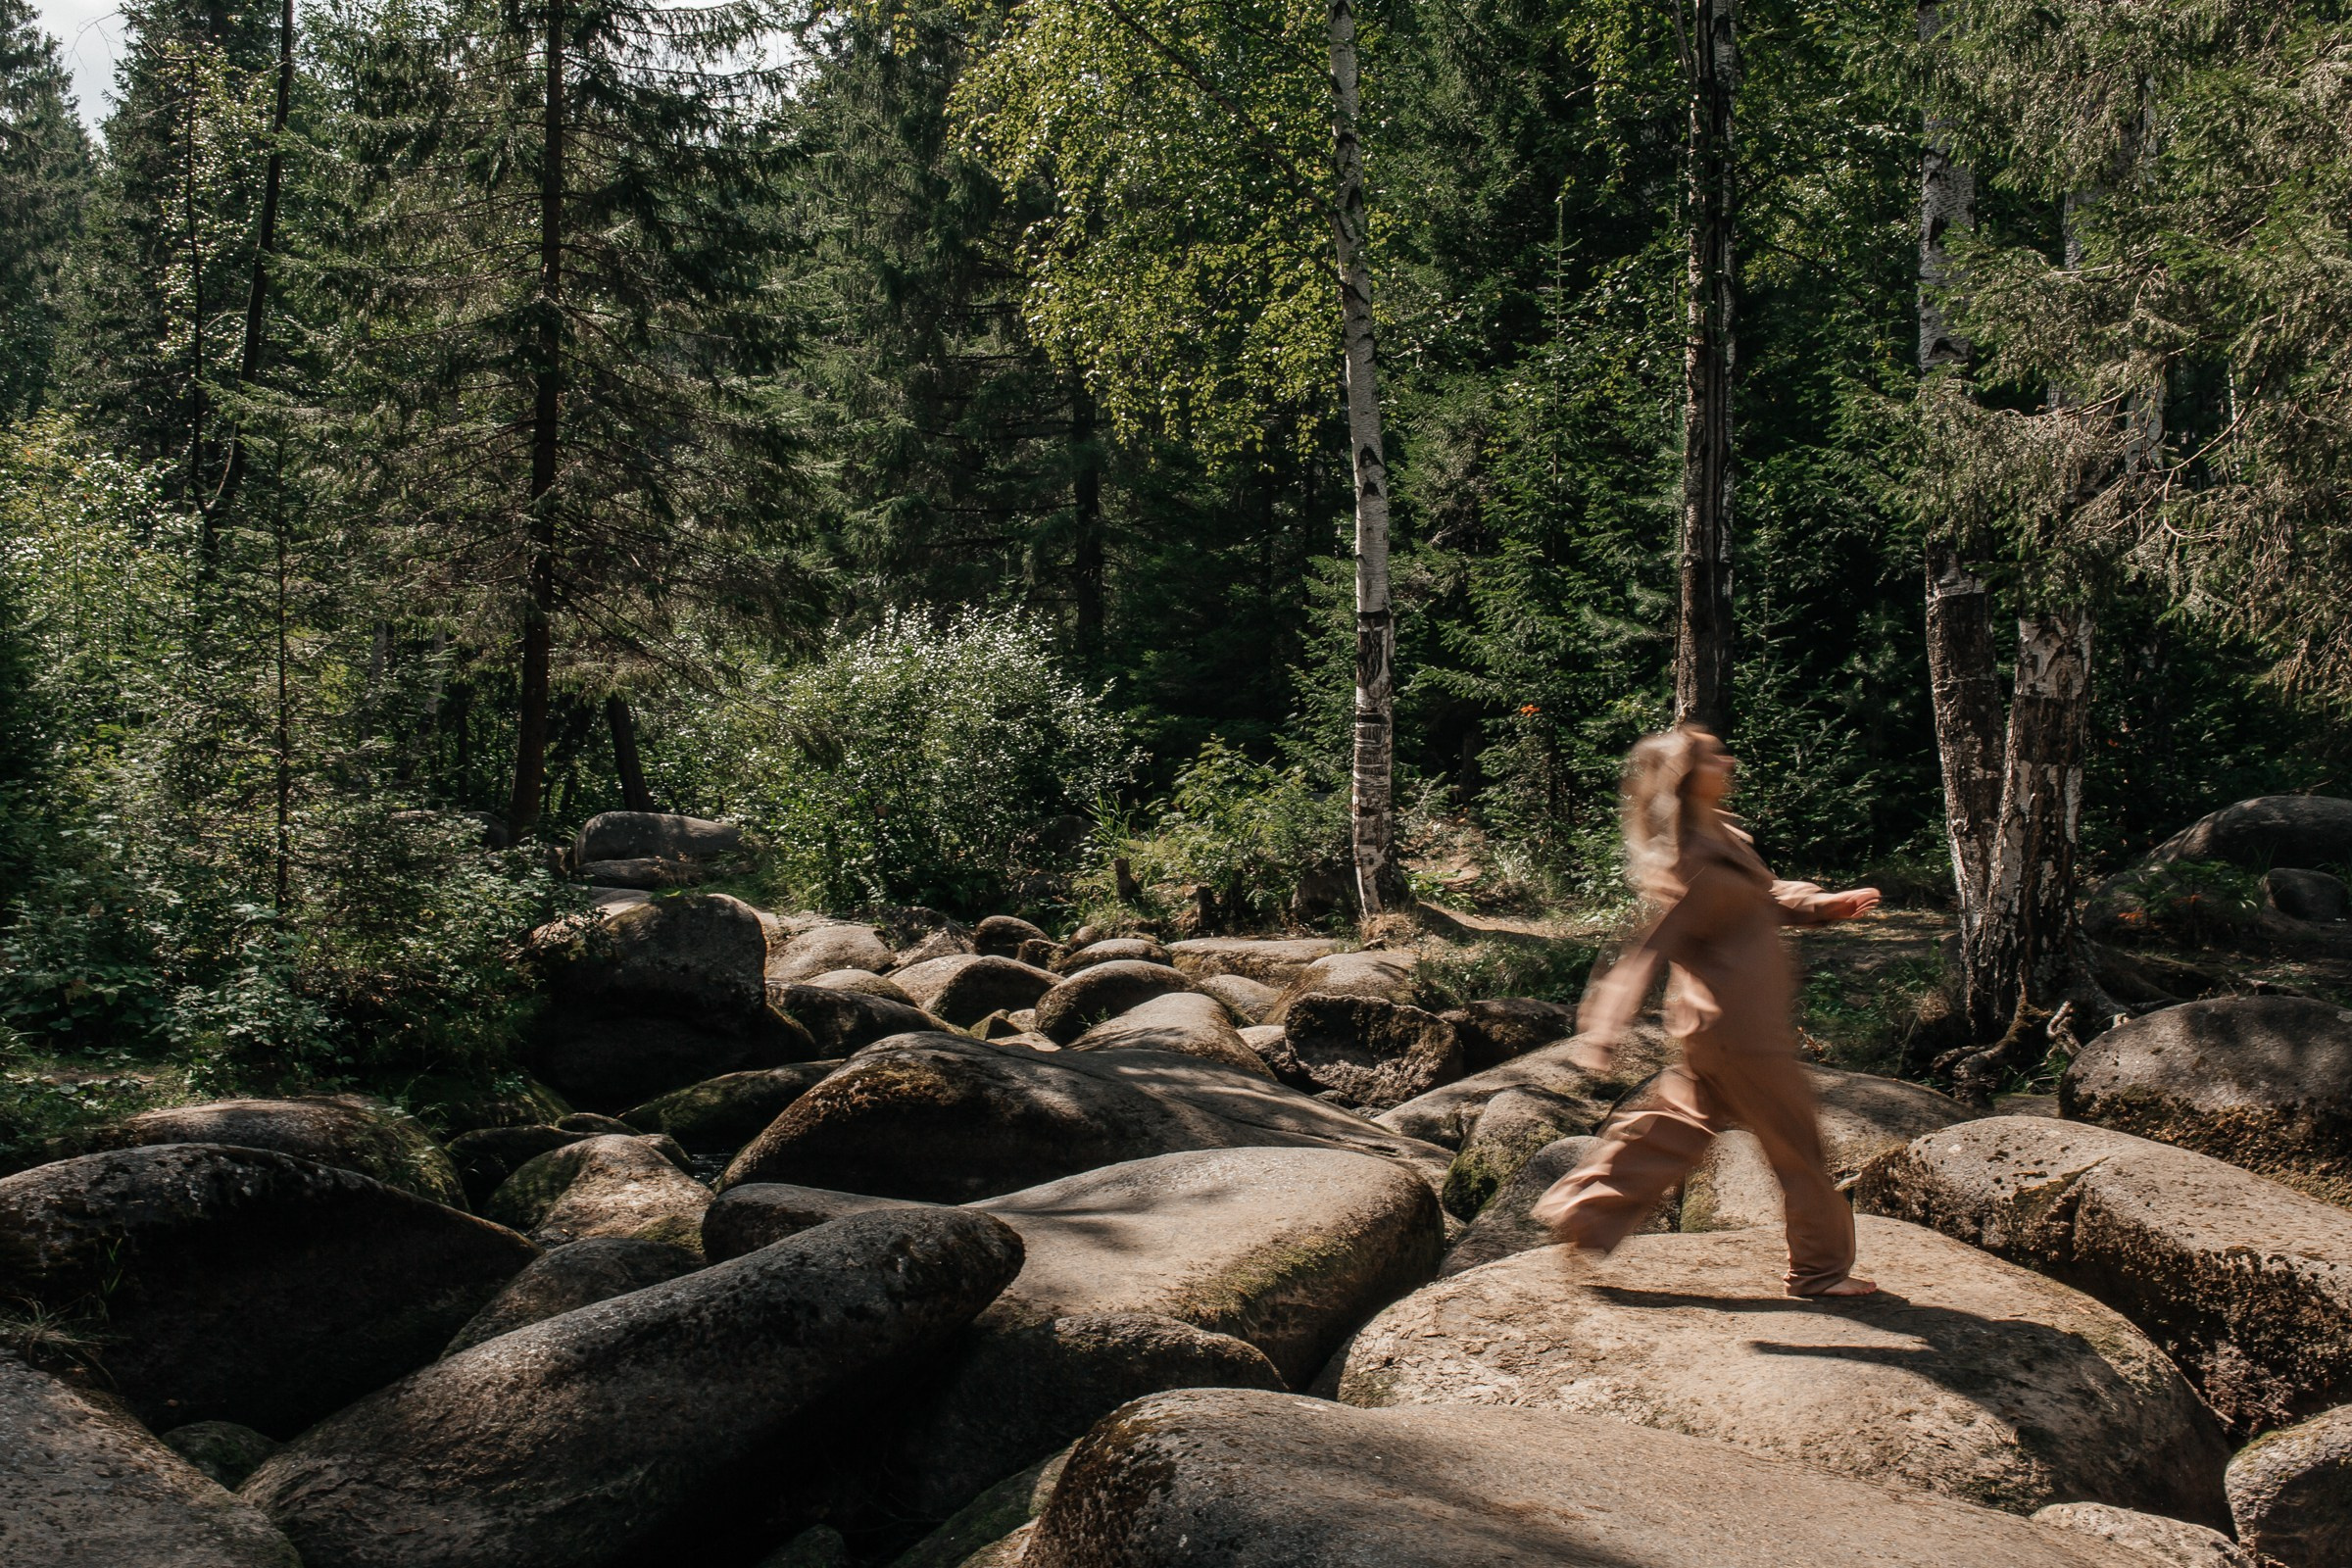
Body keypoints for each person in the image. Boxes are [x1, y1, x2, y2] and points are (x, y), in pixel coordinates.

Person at [1531, 723, 1884, 1298]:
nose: (1728, 762)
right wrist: (1606, 1022)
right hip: (1742, 1032)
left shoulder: (1721, 836)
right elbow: (1649, 948)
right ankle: (1820, 1273)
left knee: (1678, 1128)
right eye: (1715, 757)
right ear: (1687, 776)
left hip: (1718, 1028)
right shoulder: (1689, 856)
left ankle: (1585, 1211)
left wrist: (1822, 904)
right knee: (1798, 1147)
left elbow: (1761, 897)